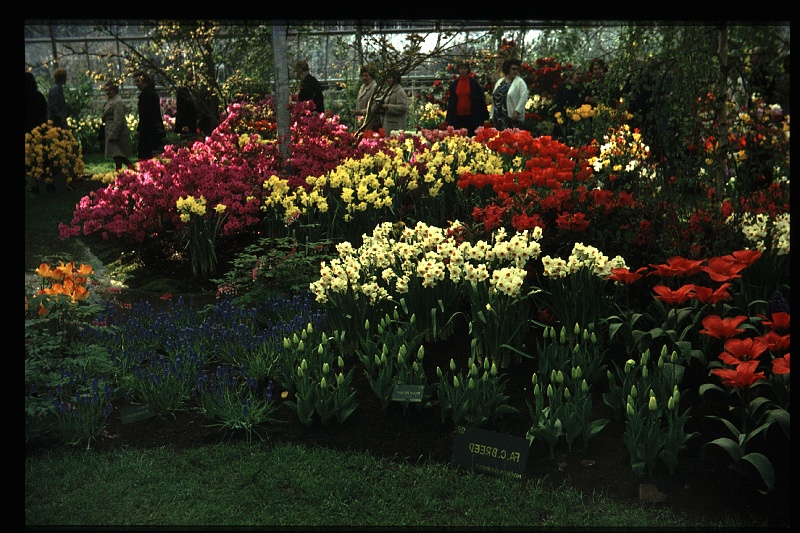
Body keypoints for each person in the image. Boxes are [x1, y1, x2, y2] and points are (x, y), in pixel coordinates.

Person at [445, 61, 489, 137]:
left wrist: (484, 115)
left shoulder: (474, 83)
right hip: (457, 117)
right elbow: (452, 102)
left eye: (464, 68)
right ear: (458, 70)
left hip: (471, 116)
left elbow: (480, 99)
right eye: (461, 68)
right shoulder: (454, 84)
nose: (462, 70)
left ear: (468, 70)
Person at [133, 71, 166, 161]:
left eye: (138, 81)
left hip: (148, 131)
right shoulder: (152, 93)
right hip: (155, 129)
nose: (136, 84)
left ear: (144, 81)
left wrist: (139, 130)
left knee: (146, 157)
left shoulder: (145, 95)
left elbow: (145, 115)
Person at [102, 82, 133, 171]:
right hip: (111, 130)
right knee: (117, 156)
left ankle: (129, 170)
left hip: (118, 133)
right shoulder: (111, 101)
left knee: (119, 155)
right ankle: (119, 172)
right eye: (106, 90)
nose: (108, 92)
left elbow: (119, 120)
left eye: (110, 90)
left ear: (115, 90)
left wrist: (114, 134)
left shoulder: (117, 102)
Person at [490, 58, 528, 131]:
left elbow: (523, 98)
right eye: (513, 69)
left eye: (517, 69)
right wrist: (491, 115)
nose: (515, 71)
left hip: (511, 118)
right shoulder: (499, 82)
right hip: (498, 117)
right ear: (507, 69)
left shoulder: (520, 82)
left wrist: (517, 112)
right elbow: (494, 99)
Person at [552, 67, 585, 140]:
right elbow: (556, 103)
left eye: (581, 74)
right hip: (563, 120)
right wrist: (556, 119)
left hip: (576, 121)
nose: (579, 76)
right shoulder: (563, 87)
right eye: (577, 74)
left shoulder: (582, 88)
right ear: (572, 74)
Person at [378, 70, 409, 136]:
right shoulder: (387, 89)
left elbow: (403, 107)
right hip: (386, 123)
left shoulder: (399, 91)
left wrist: (387, 106)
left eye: (390, 78)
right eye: (387, 78)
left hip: (395, 126)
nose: (387, 80)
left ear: (395, 79)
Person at [354, 65, 379, 131]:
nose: (364, 78)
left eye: (366, 76)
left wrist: (363, 112)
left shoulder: (375, 88)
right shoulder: (362, 87)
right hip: (360, 120)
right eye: (363, 76)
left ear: (371, 77)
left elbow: (375, 105)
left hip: (369, 121)